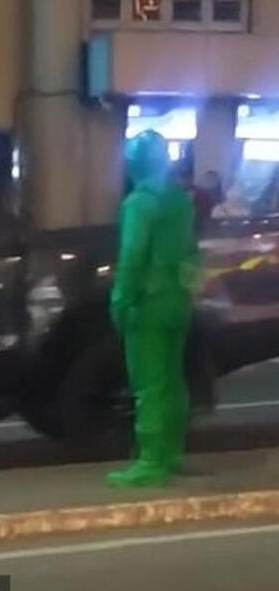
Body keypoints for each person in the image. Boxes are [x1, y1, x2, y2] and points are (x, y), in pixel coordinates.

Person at [106, 130, 199, 488]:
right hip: (178, 298)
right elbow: (191, 250)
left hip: (148, 303)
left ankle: (150, 460)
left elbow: (132, 257)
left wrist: (120, 299)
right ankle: (171, 451)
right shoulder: (179, 200)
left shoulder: (139, 203)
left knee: (149, 383)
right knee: (173, 380)